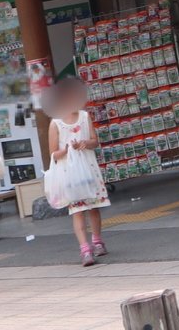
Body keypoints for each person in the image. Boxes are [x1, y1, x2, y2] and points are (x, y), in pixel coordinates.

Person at [46, 76, 109, 266]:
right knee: (78, 211)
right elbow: (53, 154)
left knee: (94, 206)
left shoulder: (84, 117)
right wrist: (65, 150)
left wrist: (85, 143)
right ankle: (85, 249)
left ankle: (97, 241)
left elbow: (94, 141)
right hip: (70, 174)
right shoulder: (55, 123)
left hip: (88, 169)